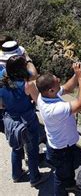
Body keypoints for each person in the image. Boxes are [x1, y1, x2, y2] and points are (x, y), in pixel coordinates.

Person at [36, 62, 81, 196]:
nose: (59, 80)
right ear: (51, 90)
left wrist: (76, 75)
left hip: (62, 143)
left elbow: (67, 88)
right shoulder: (54, 109)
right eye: (56, 81)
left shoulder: (44, 96)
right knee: (60, 177)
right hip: (61, 149)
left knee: (67, 169)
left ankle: (70, 185)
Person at [0, 55, 49, 187]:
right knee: (31, 150)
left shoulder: (1, 83)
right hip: (27, 120)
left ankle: (16, 175)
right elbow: (38, 100)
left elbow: (1, 105)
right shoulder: (27, 85)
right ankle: (34, 178)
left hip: (10, 119)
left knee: (16, 148)